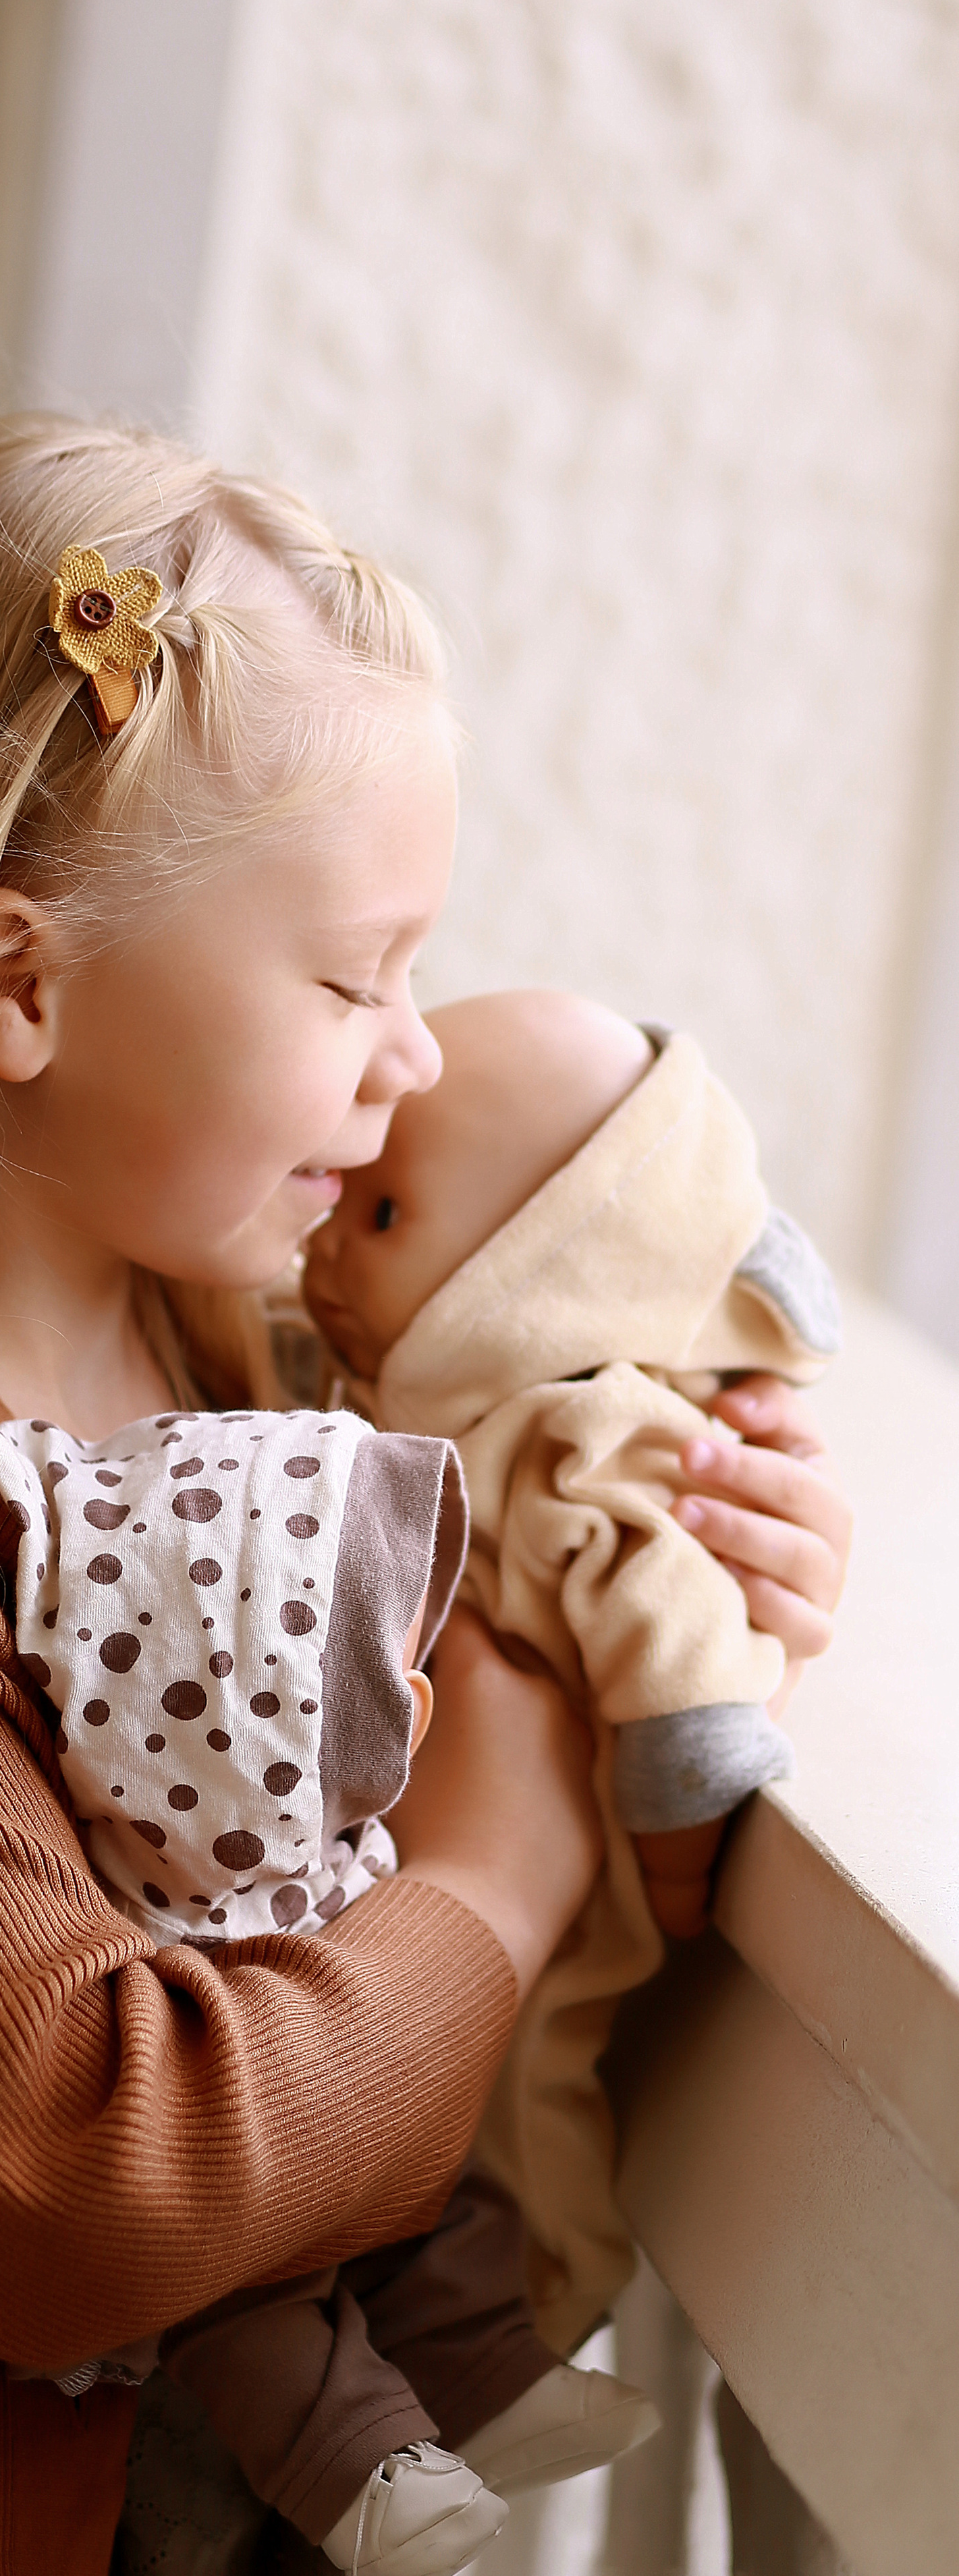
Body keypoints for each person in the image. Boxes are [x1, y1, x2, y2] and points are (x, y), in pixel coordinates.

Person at [0, 418, 851, 2576]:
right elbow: (78, 2183)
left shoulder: (261, 1376)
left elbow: (530, 1690)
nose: (413, 1056)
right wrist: (488, 1884)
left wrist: (717, 1549)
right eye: (348, 976)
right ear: (18, 986)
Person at [0, 1392, 661, 2571]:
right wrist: (501, 1877)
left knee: (448, 2198)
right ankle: (363, 2474)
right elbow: (145, 2180)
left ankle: (479, 2377)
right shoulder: (162, 1935)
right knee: (262, 2320)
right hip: (166, 2348)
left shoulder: (170, 1832)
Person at [301, 988, 842, 2357]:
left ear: (527, 1282)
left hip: (532, 1904)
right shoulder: (347, 1406)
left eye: (379, 1218)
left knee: (526, 2088)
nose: (323, 1252)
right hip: (368, 1923)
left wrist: (677, 1840)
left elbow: (668, 1626)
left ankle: (517, 2310)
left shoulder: (578, 1441)